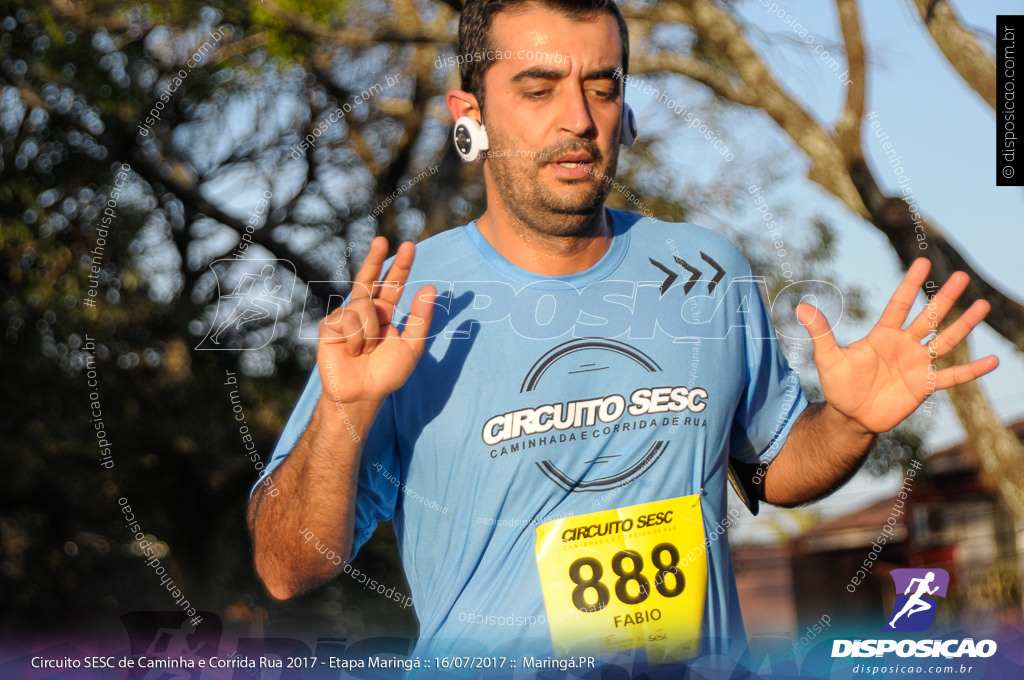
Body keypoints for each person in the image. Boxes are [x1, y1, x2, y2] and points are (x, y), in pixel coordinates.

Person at [247, 0, 997, 670]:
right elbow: (287, 567)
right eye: (538, 89)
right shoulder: (407, 304)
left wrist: (850, 422)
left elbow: (776, 468)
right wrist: (344, 414)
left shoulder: (707, 269)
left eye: (602, 88)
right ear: (468, 114)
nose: (577, 117)